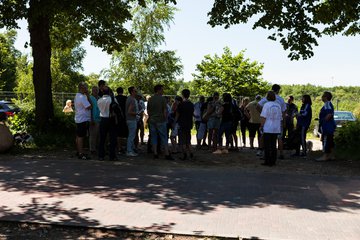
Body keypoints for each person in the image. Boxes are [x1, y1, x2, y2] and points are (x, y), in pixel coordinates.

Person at [257, 84, 287, 159]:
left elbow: (258, 106)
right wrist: (283, 122)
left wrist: (262, 112)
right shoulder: (280, 99)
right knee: (278, 139)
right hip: (277, 122)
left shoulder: (265, 101)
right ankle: (281, 153)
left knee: (266, 139)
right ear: (278, 90)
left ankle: (264, 154)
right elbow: (284, 111)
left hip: (268, 123)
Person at [147, 84, 174, 160]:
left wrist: (151, 117)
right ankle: (167, 154)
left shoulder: (150, 99)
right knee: (164, 137)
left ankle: (155, 153)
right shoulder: (162, 99)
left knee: (154, 137)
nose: (163, 91)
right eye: (162, 90)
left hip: (152, 120)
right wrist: (165, 119)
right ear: (158, 90)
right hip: (160, 121)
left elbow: (148, 111)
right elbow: (165, 111)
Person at [260, 91, 283, 166]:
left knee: (267, 145)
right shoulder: (278, 105)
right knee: (273, 145)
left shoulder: (266, 105)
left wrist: (262, 126)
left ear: (267, 97)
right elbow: (280, 117)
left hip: (268, 127)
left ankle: (267, 161)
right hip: (276, 127)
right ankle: (273, 160)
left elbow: (263, 116)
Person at [97, 86, 118, 161]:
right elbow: (116, 110)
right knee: (112, 138)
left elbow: (100, 109)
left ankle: (101, 155)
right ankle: (112, 156)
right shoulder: (113, 99)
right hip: (111, 119)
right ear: (109, 92)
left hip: (103, 119)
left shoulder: (99, 100)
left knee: (102, 138)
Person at [316, 91, 336, 161]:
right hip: (329, 126)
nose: (321, 97)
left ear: (326, 97)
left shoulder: (327, 104)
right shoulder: (328, 104)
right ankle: (331, 155)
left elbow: (329, 114)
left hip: (327, 126)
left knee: (326, 140)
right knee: (330, 141)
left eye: (323, 96)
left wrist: (323, 121)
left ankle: (325, 156)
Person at [74, 82, 91, 160]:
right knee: (81, 137)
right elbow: (89, 106)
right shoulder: (82, 97)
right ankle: (81, 154)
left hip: (78, 118)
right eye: (86, 87)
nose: (87, 89)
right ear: (82, 88)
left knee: (78, 136)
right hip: (82, 119)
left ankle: (79, 151)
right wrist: (88, 96)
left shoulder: (77, 96)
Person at [176, 89, 194, 160]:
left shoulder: (181, 104)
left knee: (183, 141)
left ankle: (184, 154)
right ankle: (191, 153)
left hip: (182, 124)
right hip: (189, 124)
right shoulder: (191, 104)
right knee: (188, 140)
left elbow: (177, 115)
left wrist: (174, 122)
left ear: (182, 95)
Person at [125, 86, 139, 157]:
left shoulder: (129, 98)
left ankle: (131, 150)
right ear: (132, 92)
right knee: (131, 136)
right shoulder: (132, 100)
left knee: (131, 135)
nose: (136, 92)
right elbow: (129, 111)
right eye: (135, 91)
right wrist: (137, 113)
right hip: (131, 119)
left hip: (129, 119)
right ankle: (129, 151)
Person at [115, 87, 127, 154]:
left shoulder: (115, 98)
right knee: (124, 133)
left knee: (118, 133)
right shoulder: (125, 98)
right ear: (122, 91)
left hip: (117, 118)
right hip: (124, 117)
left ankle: (119, 148)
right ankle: (123, 147)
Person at [89, 86, 101, 155]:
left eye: (96, 90)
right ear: (92, 91)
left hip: (100, 118)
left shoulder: (100, 98)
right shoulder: (90, 98)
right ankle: (92, 149)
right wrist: (91, 119)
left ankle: (98, 148)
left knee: (99, 135)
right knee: (93, 135)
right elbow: (89, 109)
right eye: (94, 90)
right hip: (93, 119)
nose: (95, 91)